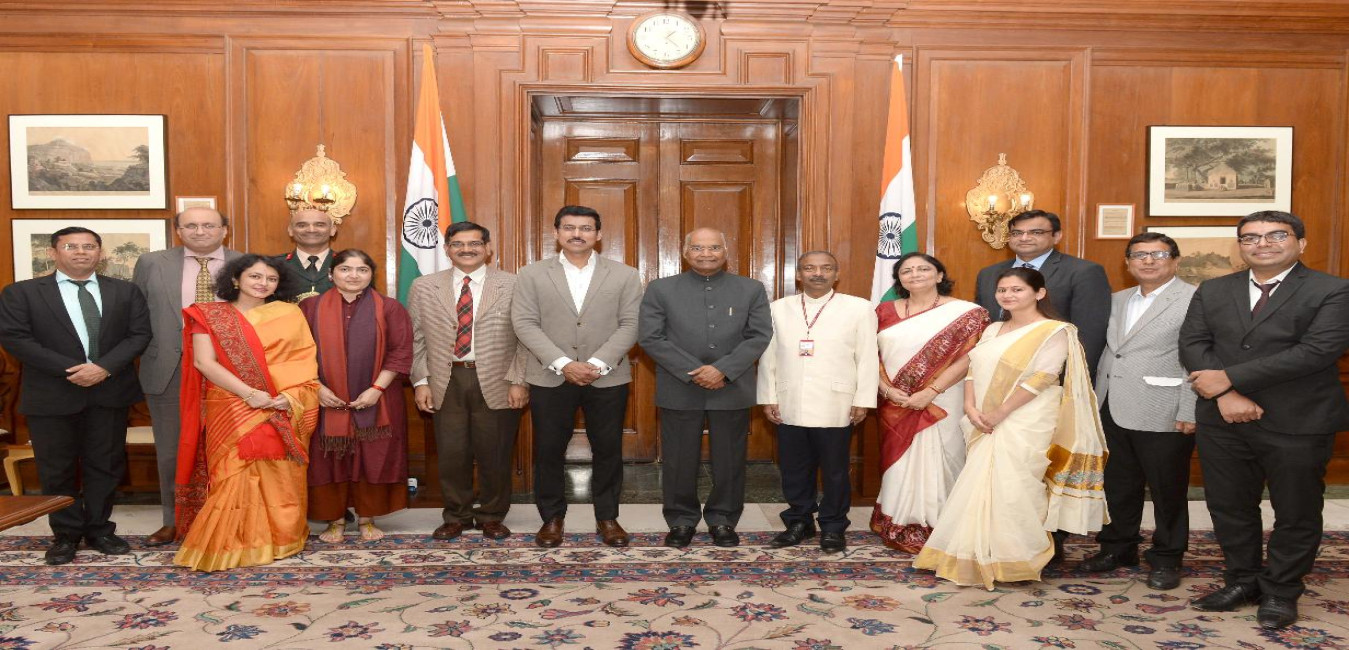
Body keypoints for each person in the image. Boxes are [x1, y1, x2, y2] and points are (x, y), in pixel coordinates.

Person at [1179, 211, 1349, 630]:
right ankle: (1242, 580)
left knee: (1296, 510)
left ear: (1300, 243)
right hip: (1222, 417)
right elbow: (1193, 343)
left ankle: (1281, 591)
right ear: (1240, 245)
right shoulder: (1213, 289)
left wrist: (1229, 378)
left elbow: (1317, 351)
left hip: (1298, 418)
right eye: (1251, 237)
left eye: (1276, 235)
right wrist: (1226, 394)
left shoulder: (1333, 290)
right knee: (1229, 505)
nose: (1263, 243)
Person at [914, 267, 1107, 590]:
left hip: (1026, 418)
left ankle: (1018, 558)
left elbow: (1043, 377)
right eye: (1002, 290)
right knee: (980, 483)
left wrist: (1000, 413)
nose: (1008, 295)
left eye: (1017, 289)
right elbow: (973, 369)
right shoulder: (993, 329)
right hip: (983, 416)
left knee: (1017, 486)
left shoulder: (1055, 331)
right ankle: (976, 554)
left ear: (1039, 293)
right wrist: (970, 407)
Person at [0, 227, 151, 565]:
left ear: (100, 253)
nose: (81, 252)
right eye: (71, 246)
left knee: (106, 465)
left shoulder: (125, 292)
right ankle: (65, 534)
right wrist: (72, 369)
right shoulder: (22, 293)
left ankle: (99, 530)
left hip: (109, 390)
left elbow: (139, 334)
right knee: (56, 469)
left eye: (89, 246)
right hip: (51, 393)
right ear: (53, 252)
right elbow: (15, 338)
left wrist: (103, 368)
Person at [173, 254, 320, 572]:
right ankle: (231, 544)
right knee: (233, 474)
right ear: (235, 279)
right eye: (255, 276)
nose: (263, 283)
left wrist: (289, 397)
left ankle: (279, 539)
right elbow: (204, 362)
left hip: (279, 403)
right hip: (231, 404)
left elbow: (302, 361)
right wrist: (250, 394)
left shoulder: (289, 314)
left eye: (271, 279)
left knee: (279, 474)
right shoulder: (210, 314)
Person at [512, 205, 643, 548]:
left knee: (608, 449)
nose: (577, 234)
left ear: (598, 235)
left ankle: (607, 517)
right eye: (569, 227)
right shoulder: (532, 274)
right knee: (549, 449)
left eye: (585, 228)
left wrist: (597, 363)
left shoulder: (625, 274)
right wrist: (563, 363)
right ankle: (552, 518)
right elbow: (524, 323)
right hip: (550, 375)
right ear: (556, 233)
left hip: (608, 376)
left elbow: (632, 324)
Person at [639, 228, 772, 549]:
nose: (706, 254)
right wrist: (695, 372)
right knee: (678, 459)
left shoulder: (750, 289)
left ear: (725, 251)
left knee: (730, 459)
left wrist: (722, 370)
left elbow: (759, 335)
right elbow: (650, 337)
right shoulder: (660, 289)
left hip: (731, 386)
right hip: (679, 386)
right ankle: (681, 520)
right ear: (685, 252)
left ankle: (723, 519)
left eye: (713, 247)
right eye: (698, 248)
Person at [1080, 233, 1197, 591]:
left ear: (1175, 260)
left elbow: (1199, 355)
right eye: (1139, 255)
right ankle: (1118, 548)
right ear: (1127, 262)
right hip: (1111, 404)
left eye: (1158, 254)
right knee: (1118, 484)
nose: (1148, 261)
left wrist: (1190, 408)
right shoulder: (1116, 299)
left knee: (1167, 490)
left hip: (1164, 407)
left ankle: (1167, 557)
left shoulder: (1195, 299)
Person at [409, 221, 529, 541]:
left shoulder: (514, 284)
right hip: (445, 379)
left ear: (488, 249)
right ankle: (456, 516)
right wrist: (421, 382)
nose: (466, 249)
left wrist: (519, 381)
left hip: (499, 379)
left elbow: (526, 337)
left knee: (495, 453)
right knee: (451, 453)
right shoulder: (424, 286)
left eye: (474, 244)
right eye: (458, 244)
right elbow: (416, 339)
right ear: (447, 249)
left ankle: (492, 515)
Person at [132, 207, 242, 546]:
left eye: (208, 225)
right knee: (172, 449)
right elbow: (135, 314)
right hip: (170, 367)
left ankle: (227, 518)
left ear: (224, 230)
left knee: (229, 448)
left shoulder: (246, 262)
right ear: (178, 231)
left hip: (230, 369)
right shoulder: (152, 263)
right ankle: (173, 520)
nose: (200, 231)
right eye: (190, 225)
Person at [757, 251, 878, 554]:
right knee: (794, 468)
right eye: (809, 268)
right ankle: (799, 521)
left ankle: (834, 526)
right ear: (799, 275)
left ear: (837, 274)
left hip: (836, 402)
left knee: (835, 470)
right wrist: (768, 396)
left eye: (826, 268)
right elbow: (768, 356)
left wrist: (862, 400)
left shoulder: (859, 308)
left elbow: (867, 358)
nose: (818, 273)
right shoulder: (778, 308)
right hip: (789, 400)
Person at [870, 252, 988, 554]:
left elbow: (970, 356)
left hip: (944, 399)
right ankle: (898, 521)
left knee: (944, 458)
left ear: (939, 275)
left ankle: (942, 525)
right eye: (907, 270)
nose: (915, 274)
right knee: (899, 462)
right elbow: (870, 356)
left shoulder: (967, 313)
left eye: (924, 269)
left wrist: (931, 390)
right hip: (895, 402)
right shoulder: (883, 311)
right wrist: (886, 390)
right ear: (899, 278)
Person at [299, 249, 413, 543]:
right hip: (324, 397)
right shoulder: (309, 308)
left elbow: (401, 352)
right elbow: (297, 353)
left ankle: (367, 519)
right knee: (328, 457)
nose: (353, 275)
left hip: (379, 398)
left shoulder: (389, 308)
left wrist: (377, 389)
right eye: (345, 269)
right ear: (331, 274)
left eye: (362, 270)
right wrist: (317, 387)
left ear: (371, 275)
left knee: (372, 456)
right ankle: (334, 521)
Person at [973, 210, 1110, 377]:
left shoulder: (1083, 271)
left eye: (1036, 232)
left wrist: (1070, 377)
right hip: (992, 371)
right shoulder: (988, 273)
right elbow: (982, 325)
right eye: (1017, 233)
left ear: (1056, 236)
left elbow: (1090, 333)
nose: (1024, 238)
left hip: (1051, 373)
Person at [276, 207, 337, 301]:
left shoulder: (347, 264)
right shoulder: (274, 265)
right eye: (302, 225)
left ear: (332, 230)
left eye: (320, 225)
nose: (311, 230)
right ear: (290, 230)